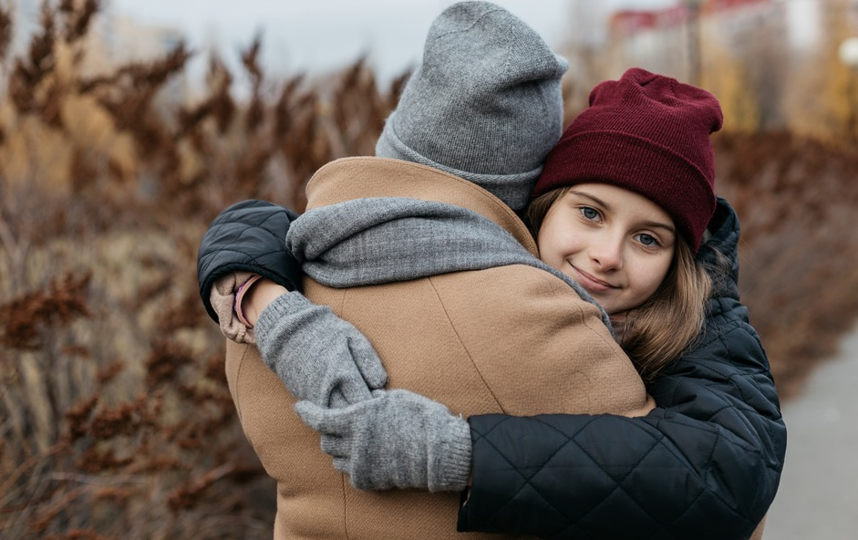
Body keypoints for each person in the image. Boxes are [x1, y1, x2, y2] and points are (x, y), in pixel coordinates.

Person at [197, 4, 784, 540]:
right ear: (535, 203)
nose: (608, 253)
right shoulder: (542, 326)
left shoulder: (698, 328)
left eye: (648, 239)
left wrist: (455, 450)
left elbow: (725, 477)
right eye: (589, 212)